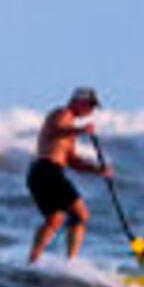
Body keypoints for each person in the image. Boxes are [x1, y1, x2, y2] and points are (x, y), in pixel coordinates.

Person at [27, 87, 110, 264]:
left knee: (55, 219)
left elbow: (72, 160)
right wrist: (80, 130)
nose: (91, 111)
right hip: (47, 171)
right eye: (90, 106)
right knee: (81, 215)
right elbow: (55, 131)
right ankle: (71, 263)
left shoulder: (70, 127)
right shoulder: (61, 113)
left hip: (39, 173)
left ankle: (33, 260)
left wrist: (98, 169)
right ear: (78, 101)